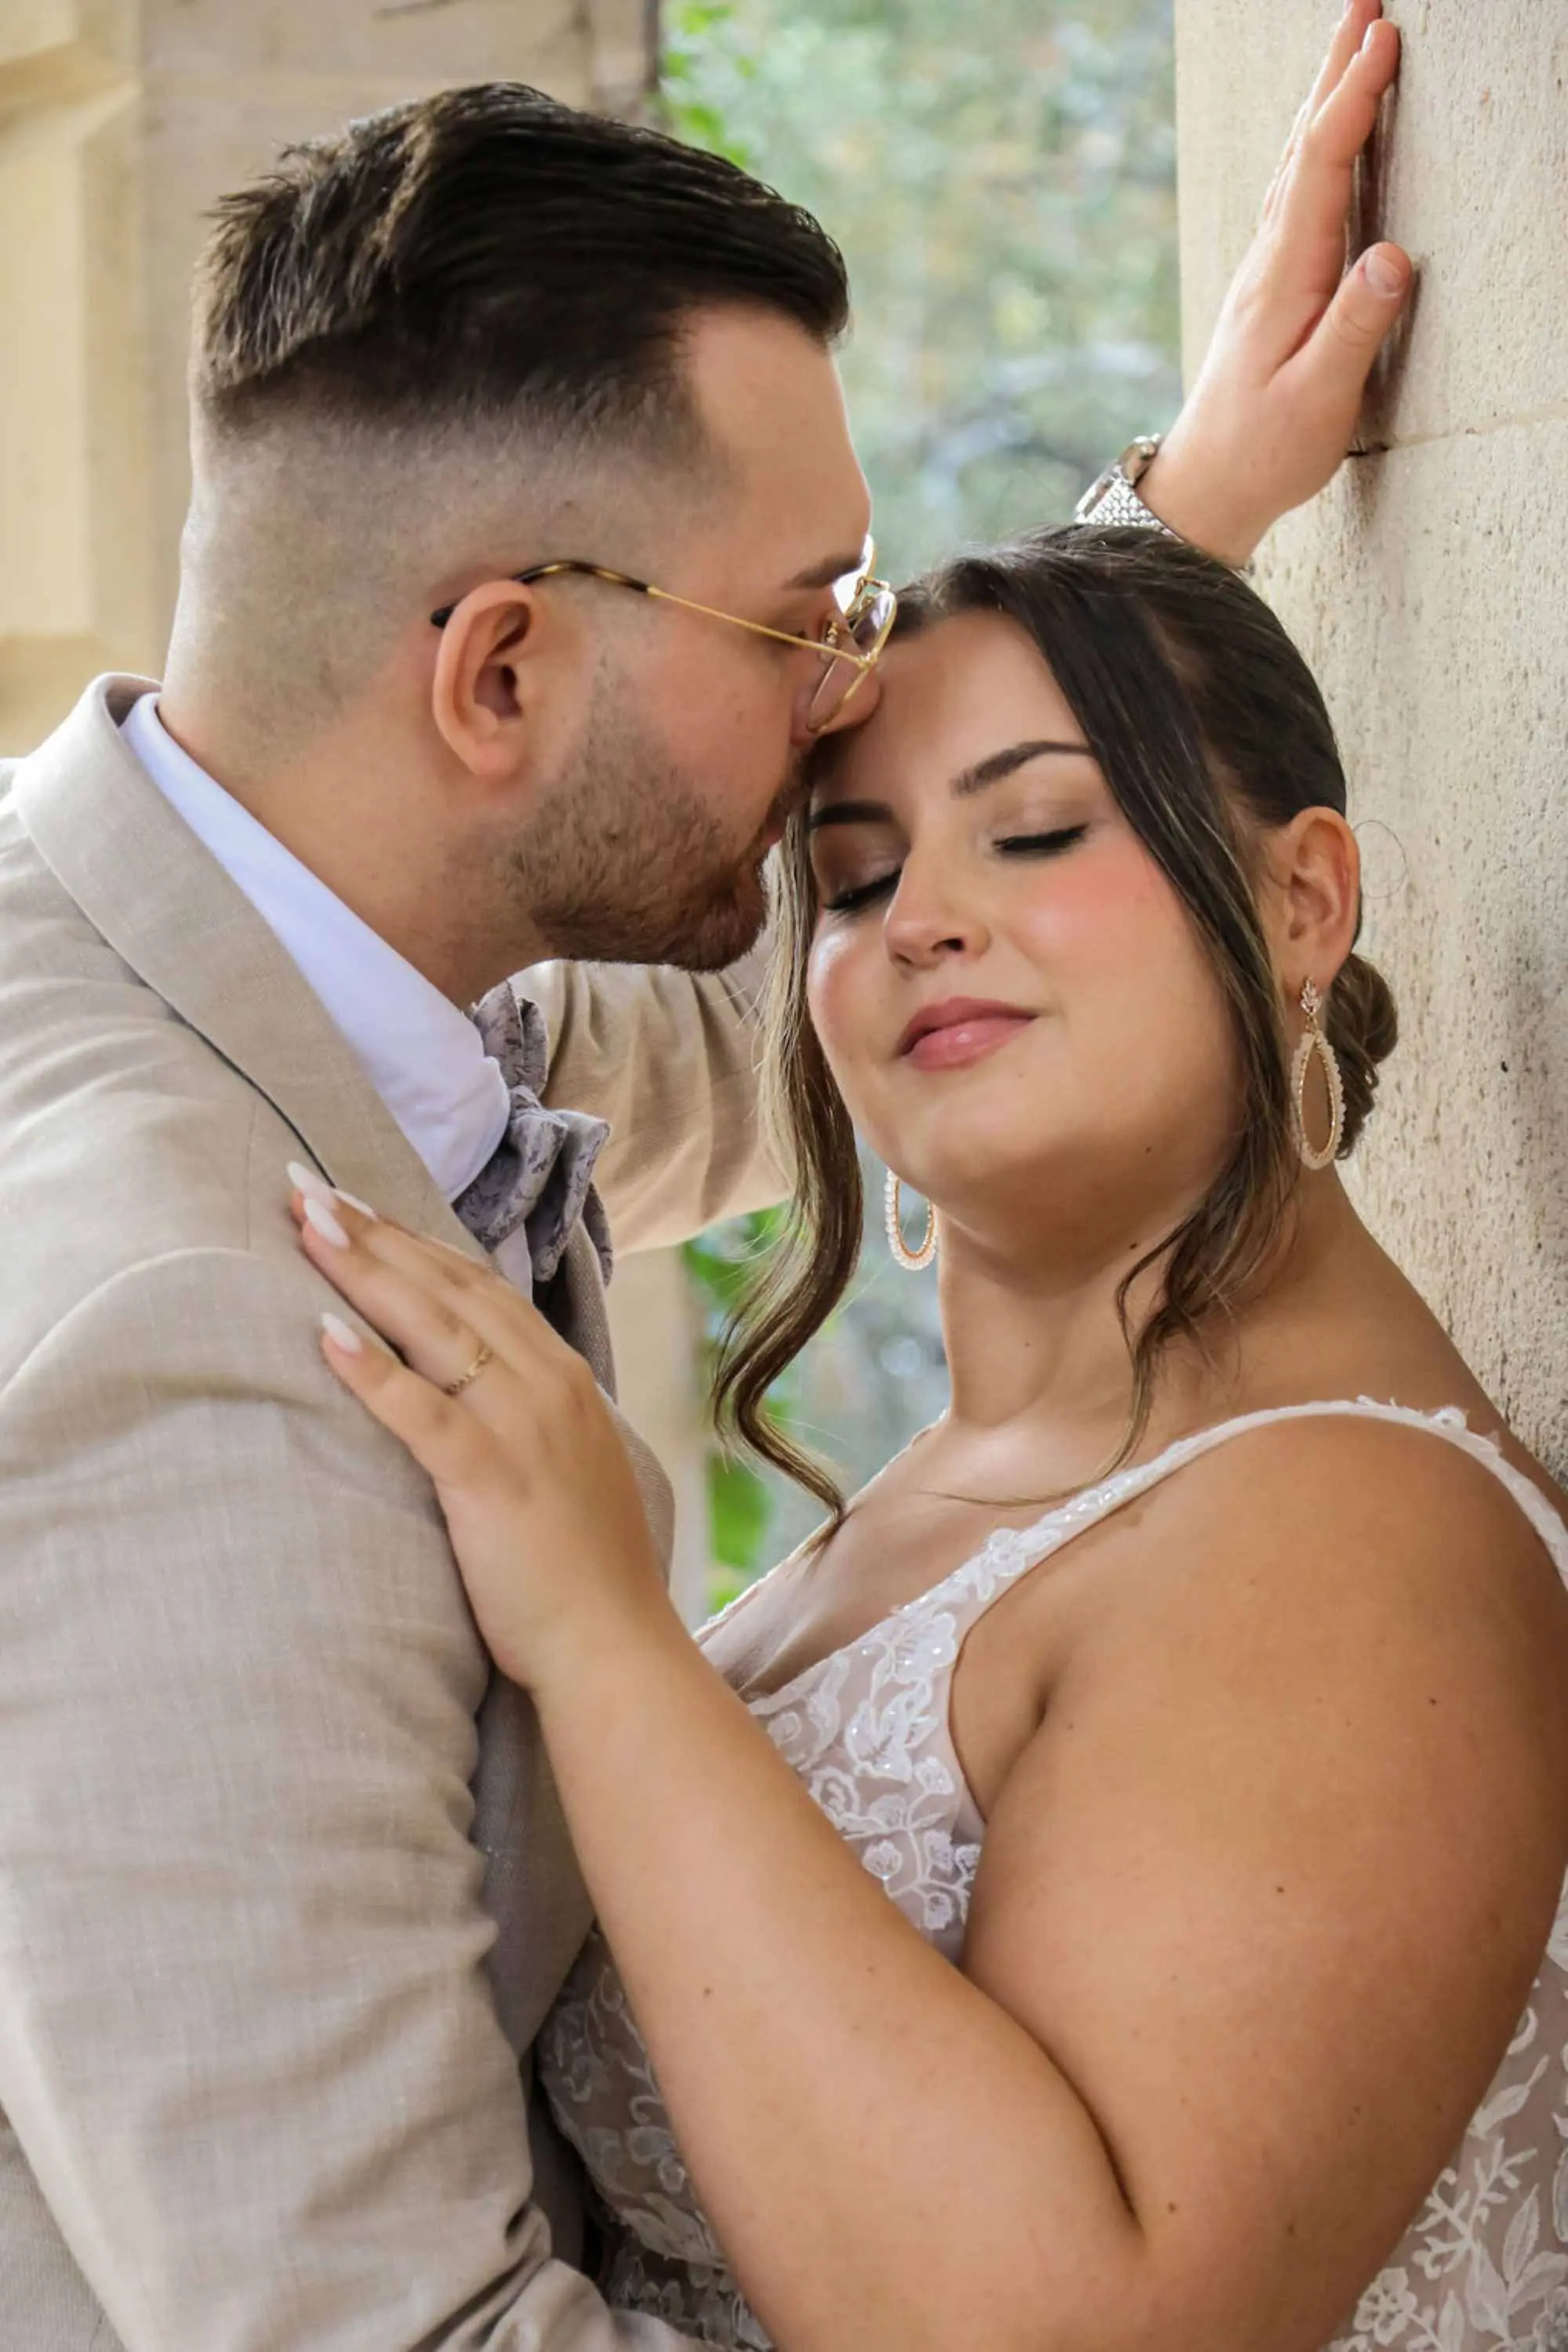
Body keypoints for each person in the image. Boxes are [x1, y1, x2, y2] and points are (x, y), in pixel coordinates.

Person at [0, 14, 1410, 2350]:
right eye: (810, 618)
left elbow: (806, 1044)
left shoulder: (253, 971)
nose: (853, 696)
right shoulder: (192, 1327)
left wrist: (1154, 595)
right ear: (498, 677)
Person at [304, 526, 1568, 2352]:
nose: (923, 918)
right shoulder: (979, 1490)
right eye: (853, 874)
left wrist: (602, 1639)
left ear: (1302, 903)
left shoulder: (1346, 1534)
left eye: (1038, 831)